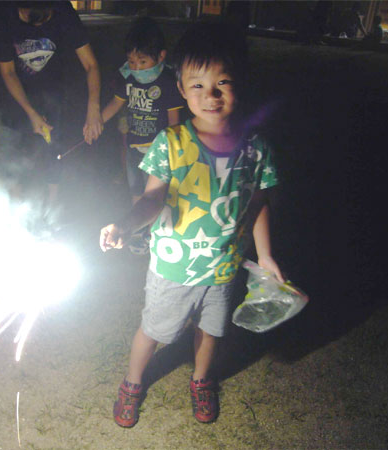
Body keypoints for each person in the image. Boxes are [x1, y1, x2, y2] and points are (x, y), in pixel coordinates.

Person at [99, 22, 284, 427]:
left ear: (240, 83)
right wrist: (127, 225)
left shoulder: (256, 148)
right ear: (180, 87)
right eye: (197, 85)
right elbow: (152, 198)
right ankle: (132, 382)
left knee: (211, 329)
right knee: (154, 329)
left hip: (222, 266)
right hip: (173, 266)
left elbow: (258, 200)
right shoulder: (172, 142)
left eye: (222, 83)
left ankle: (201, 380)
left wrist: (265, 255)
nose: (210, 95)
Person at [0, 1, 103, 206]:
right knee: (11, 149)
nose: (39, 25)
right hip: (13, 95)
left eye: (46, 18)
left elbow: (91, 64)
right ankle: (15, 209)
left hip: (52, 93)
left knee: (54, 149)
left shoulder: (62, 9)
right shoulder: (3, 16)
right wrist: (30, 112)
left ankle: (51, 208)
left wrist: (93, 108)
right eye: (30, 18)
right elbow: (8, 72)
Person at [101, 16, 184, 255]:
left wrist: (174, 150)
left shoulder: (168, 83)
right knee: (136, 190)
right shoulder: (128, 78)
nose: (136, 67)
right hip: (134, 147)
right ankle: (137, 232)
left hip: (158, 153)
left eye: (143, 61)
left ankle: (153, 233)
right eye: (131, 61)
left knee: (154, 194)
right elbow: (114, 105)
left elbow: (175, 123)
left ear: (161, 56)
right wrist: (95, 123)